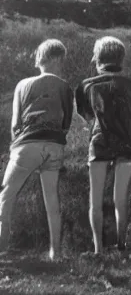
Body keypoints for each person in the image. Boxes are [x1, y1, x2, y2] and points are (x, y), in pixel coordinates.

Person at [0, 40, 74, 260]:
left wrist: (17, 150)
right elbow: (66, 123)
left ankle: (1, 246)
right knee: (52, 199)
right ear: (57, 59)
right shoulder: (64, 86)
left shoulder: (23, 84)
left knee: (6, 195)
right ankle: (56, 252)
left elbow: (15, 124)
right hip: (54, 145)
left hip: (27, 144)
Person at [77, 37, 131, 254]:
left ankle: (98, 248)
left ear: (97, 59)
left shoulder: (86, 85)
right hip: (126, 143)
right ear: (121, 59)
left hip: (99, 142)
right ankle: (122, 244)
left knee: (95, 199)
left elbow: (86, 115)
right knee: (120, 197)